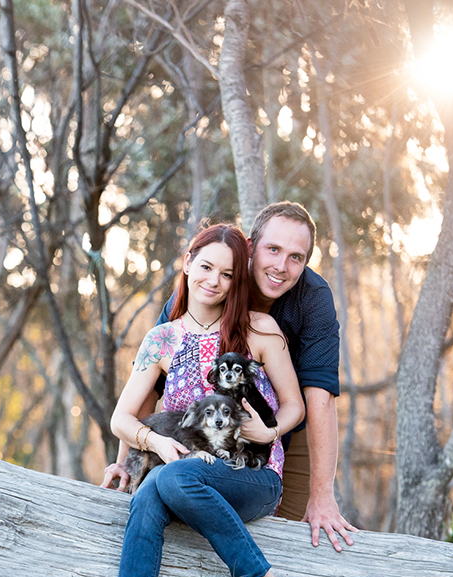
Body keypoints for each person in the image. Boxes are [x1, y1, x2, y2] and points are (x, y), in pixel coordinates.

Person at [103, 202, 357, 553]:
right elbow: (147, 386)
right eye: (273, 250)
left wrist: (323, 496)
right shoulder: (207, 286)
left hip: (283, 432)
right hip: (204, 439)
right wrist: (126, 461)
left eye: (296, 257)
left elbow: (319, 398)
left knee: (287, 536)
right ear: (251, 247)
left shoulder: (312, 299)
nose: (281, 266)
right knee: (176, 505)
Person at [106, 223, 305, 577]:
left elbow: (295, 406)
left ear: (238, 281)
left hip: (252, 477)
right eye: (206, 267)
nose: (214, 281)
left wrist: (268, 432)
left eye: (228, 274)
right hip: (184, 474)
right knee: (151, 491)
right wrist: (147, 447)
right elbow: (122, 417)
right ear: (187, 263)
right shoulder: (162, 338)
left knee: (170, 479)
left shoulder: (259, 329)